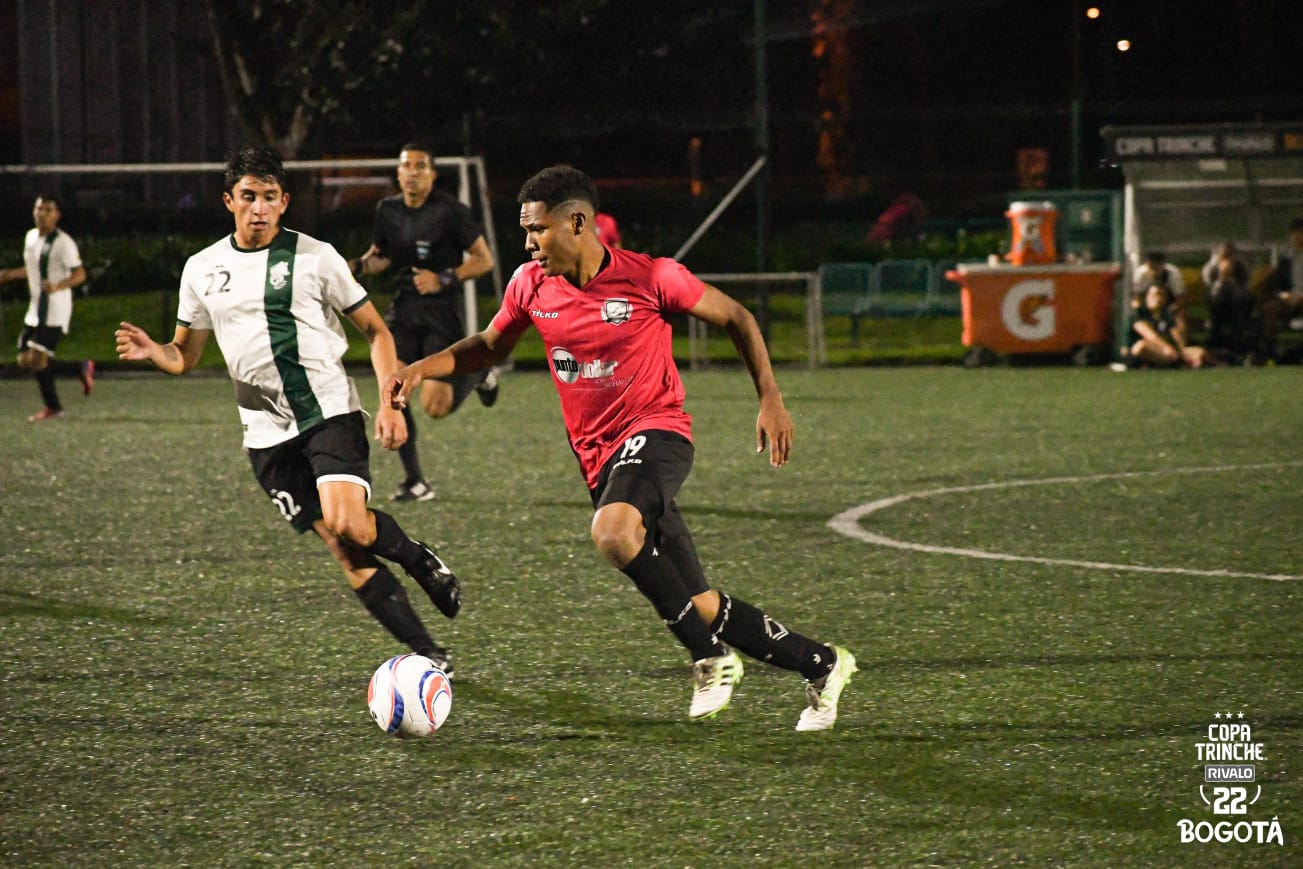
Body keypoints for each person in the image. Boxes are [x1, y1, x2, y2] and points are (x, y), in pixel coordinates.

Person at [385, 165, 856, 731]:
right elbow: (489, 346)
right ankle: (821, 664)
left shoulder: (652, 276)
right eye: (526, 231)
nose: (528, 243)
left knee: (612, 533)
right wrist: (419, 369)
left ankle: (709, 659)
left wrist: (771, 399)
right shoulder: (529, 285)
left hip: (658, 432)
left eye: (537, 230)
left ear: (576, 223)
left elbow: (736, 315)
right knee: (700, 603)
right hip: (599, 460)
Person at [114, 147, 462, 675]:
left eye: (269, 197)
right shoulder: (202, 269)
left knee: (348, 521)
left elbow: (376, 331)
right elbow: (184, 355)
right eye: (248, 196)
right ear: (229, 200)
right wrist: (155, 353)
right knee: (344, 548)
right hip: (264, 435)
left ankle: (418, 558)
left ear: (284, 202)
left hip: (327, 410)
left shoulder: (315, 258)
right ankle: (428, 652)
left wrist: (390, 403)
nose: (259, 208)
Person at [350, 143, 499, 503]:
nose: (412, 173)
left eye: (420, 166)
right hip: (403, 310)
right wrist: (355, 267)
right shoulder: (387, 210)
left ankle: (480, 372)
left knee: (436, 406)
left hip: (441, 312)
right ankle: (415, 480)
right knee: (394, 387)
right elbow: (381, 257)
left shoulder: (451, 212)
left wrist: (443, 278)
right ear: (398, 173)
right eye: (406, 166)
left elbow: (484, 260)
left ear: (432, 174)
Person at [0, 195, 94, 420]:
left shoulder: (63, 242)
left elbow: (80, 274)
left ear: (57, 215)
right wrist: (9, 275)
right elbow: (32, 268)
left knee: (37, 358)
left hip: (55, 309)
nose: (42, 213)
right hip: (35, 309)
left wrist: (58, 285)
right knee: (24, 359)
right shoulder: (31, 237)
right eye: (39, 208)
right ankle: (78, 368)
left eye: (48, 209)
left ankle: (54, 408)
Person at [1127, 281, 1213, 368]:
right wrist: (1167, 348)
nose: (1159, 298)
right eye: (1156, 294)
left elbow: (1176, 335)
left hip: (1168, 351)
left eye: (1162, 295)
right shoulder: (1139, 313)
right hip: (1149, 351)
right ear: (1147, 297)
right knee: (1141, 346)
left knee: (1200, 352)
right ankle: (1177, 363)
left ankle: (1178, 362)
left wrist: (1183, 350)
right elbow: (1150, 336)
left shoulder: (1167, 315)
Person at [1200, 241, 1257, 360]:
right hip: (1218, 306)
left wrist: (1232, 280)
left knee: (1236, 297)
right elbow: (1211, 294)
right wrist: (1221, 277)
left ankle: (1239, 347)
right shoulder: (1210, 269)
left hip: (1238, 305)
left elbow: (1246, 292)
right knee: (1220, 297)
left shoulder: (1241, 267)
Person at [1260, 217, 1303, 361]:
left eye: (1300, 232)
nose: (1297, 236)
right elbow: (1277, 285)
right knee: (1269, 308)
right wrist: (1283, 295)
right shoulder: (1286, 259)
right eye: (1295, 233)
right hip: (1290, 299)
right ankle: (1270, 349)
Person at [1132, 250, 1187, 333]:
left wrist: (1169, 311)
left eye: (1156, 268)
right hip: (1148, 306)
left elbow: (1181, 299)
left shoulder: (1173, 273)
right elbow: (1137, 298)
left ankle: (1180, 339)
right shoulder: (1140, 274)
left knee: (1180, 316)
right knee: (1139, 319)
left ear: (1163, 265)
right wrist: (1142, 310)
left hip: (1170, 305)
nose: (1153, 271)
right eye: (1151, 267)